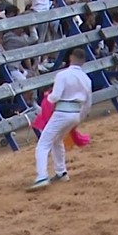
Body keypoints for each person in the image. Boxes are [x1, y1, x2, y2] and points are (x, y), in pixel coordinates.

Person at [28, 48, 93, 191]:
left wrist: (47, 97)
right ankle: (61, 172)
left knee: (43, 144)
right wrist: (78, 120)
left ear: (70, 58)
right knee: (57, 140)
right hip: (75, 113)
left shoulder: (63, 75)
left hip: (62, 112)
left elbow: (55, 97)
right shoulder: (86, 79)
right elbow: (88, 104)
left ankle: (42, 176)